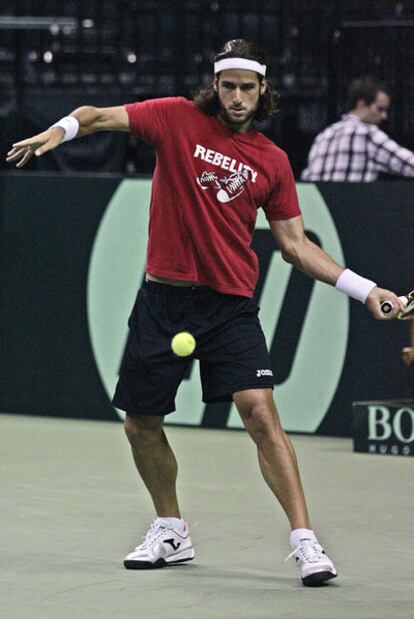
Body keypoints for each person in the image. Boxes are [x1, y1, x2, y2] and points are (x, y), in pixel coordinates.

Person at [6, 39, 403, 587]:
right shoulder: (175, 118)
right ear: (215, 86)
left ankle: (305, 541)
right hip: (162, 301)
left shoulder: (272, 160)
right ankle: (170, 528)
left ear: (263, 90)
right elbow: (95, 116)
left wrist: (365, 291)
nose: (237, 97)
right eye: (228, 86)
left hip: (229, 306)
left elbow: (295, 245)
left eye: (247, 87)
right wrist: (60, 131)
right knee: (140, 424)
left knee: (260, 411)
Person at [301, 76, 414, 182]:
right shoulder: (368, 135)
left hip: (318, 202)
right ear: (361, 104)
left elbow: (307, 177)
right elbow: (409, 164)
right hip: (354, 201)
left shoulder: (324, 135)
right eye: (380, 109)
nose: (384, 116)